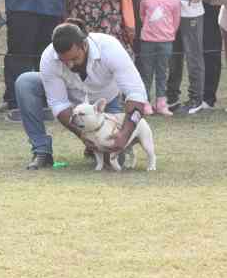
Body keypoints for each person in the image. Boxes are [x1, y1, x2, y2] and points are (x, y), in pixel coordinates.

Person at [15, 20, 148, 170]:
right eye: (64, 61)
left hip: (104, 106)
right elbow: (59, 104)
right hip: (73, 105)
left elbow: (137, 94)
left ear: (84, 45)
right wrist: (84, 135)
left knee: (115, 161)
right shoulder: (49, 57)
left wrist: (124, 135)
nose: (70, 65)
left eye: (74, 59)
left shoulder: (110, 48)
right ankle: (42, 151)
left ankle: (95, 148)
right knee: (25, 83)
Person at [139, 0, 181, 116]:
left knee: (162, 72)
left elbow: (175, 22)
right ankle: (145, 102)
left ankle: (161, 103)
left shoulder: (174, 0)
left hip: (166, 42)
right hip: (147, 42)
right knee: (147, 72)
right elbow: (143, 16)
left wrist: (167, 34)